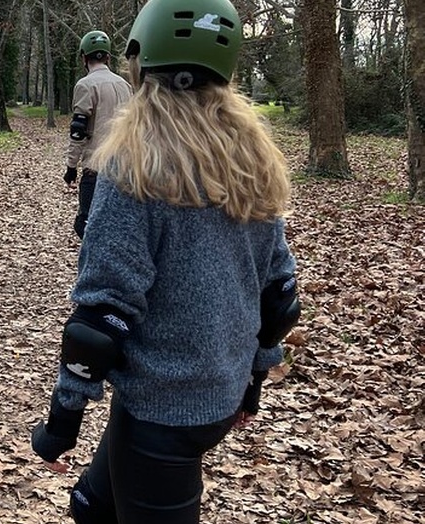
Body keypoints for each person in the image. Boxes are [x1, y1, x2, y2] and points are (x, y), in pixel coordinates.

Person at [31, 0, 301, 522]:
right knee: (93, 506)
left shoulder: (132, 167)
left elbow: (99, 321)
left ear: (141, 60)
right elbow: (279, 295)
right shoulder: (252, 160)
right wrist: (252, 385)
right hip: (215, 396)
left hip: (162, 416)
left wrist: (63, 421)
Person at [64, 30, 132, 240]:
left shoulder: (85, 85)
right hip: (124, 166)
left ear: (84, 57)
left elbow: (78, 130)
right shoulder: (126, 85)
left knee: (86, 224)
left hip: (97, 167)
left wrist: (71, 166)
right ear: (108, 57)